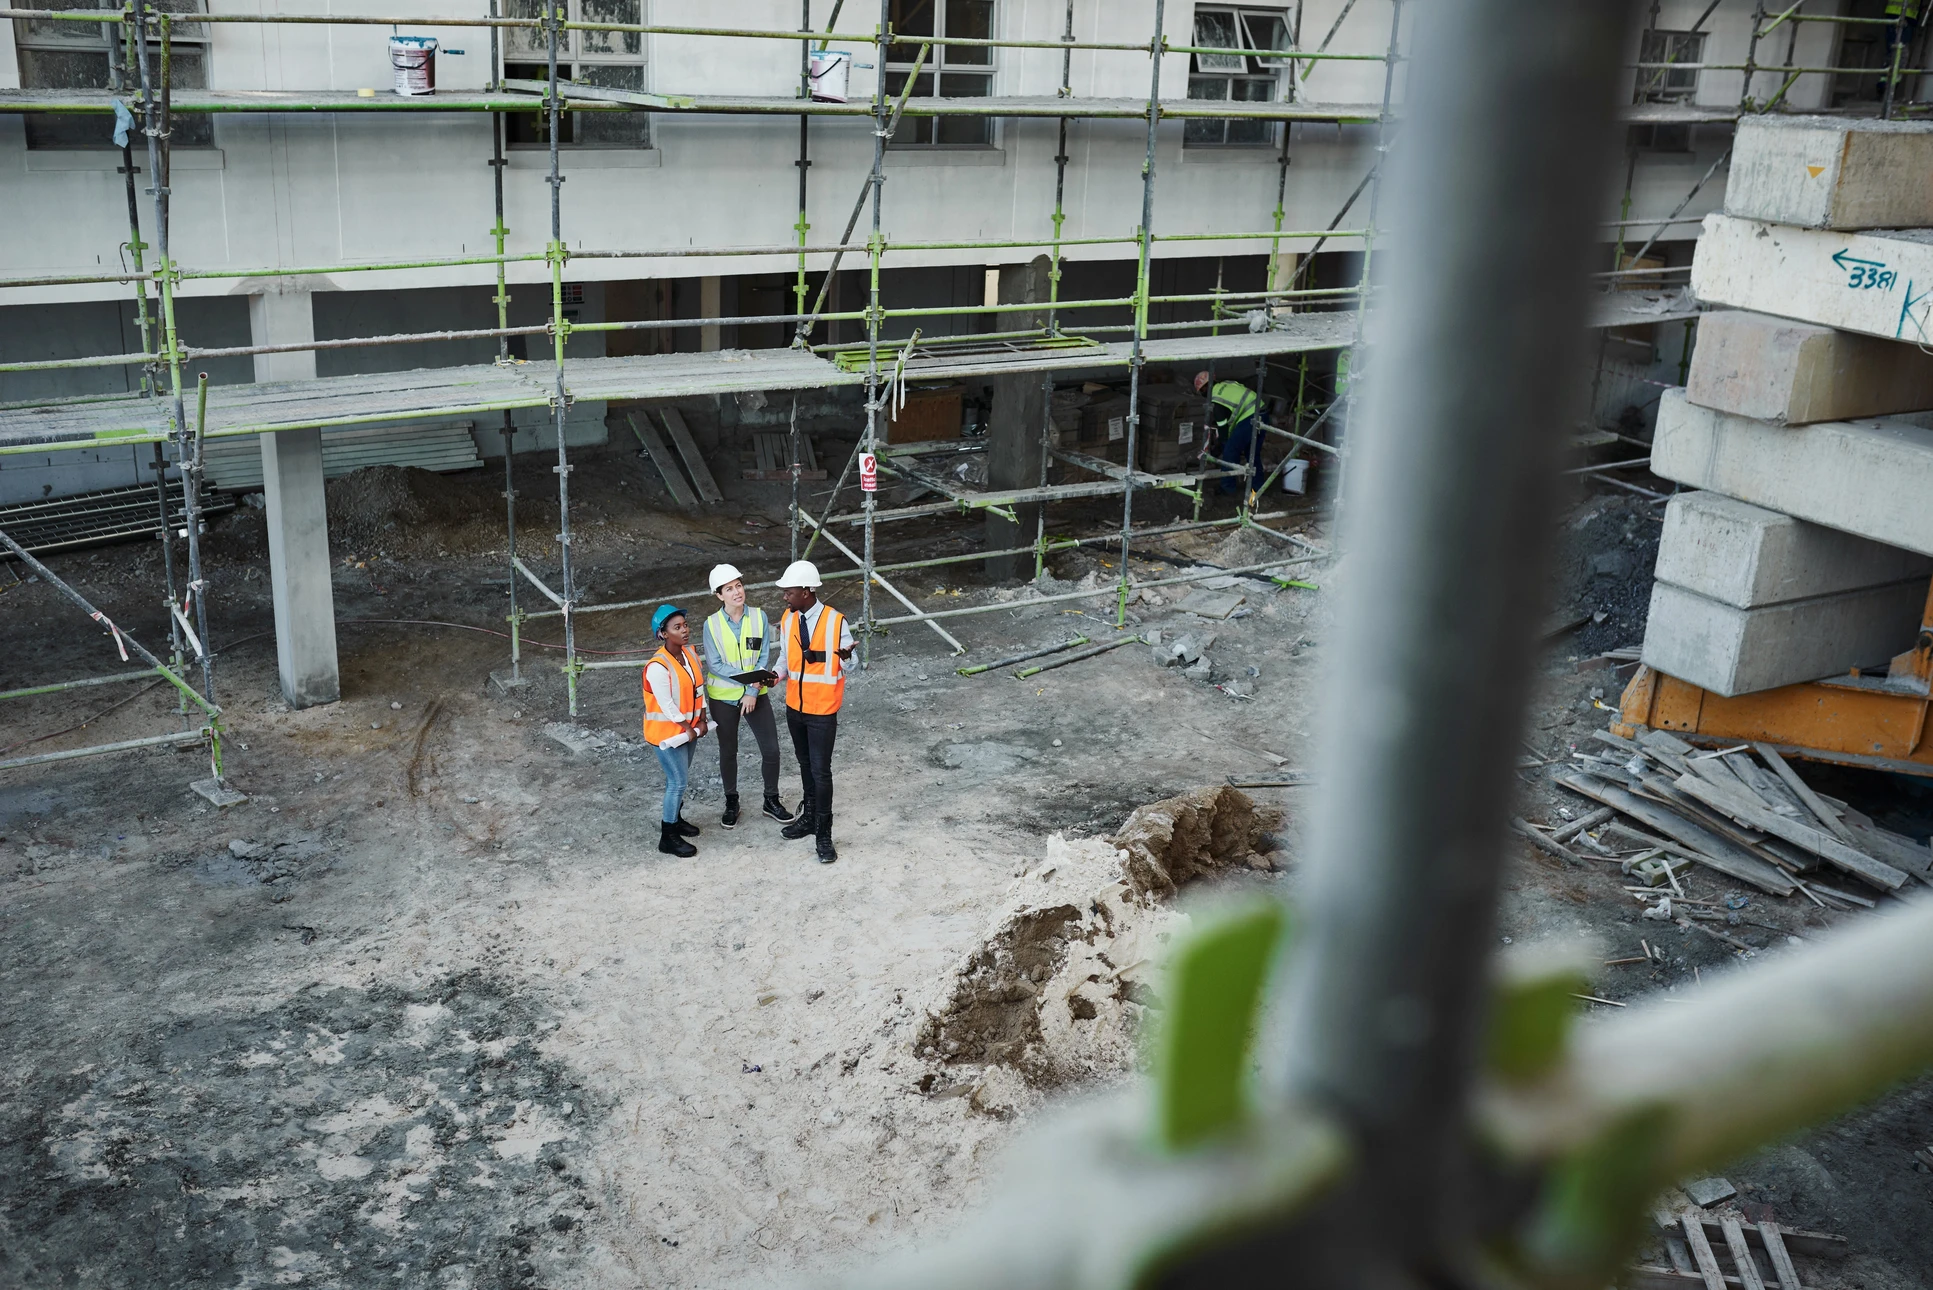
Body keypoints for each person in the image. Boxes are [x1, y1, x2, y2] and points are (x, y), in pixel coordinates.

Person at [699, 563, 795, 829]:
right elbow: (715, 664)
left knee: (771, 750)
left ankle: (771, 800)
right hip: (724, 699)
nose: (736, 592)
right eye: (729, 589)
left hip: (756, 695)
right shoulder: (711, 625)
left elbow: (764, 656)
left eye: (738, 585)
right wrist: (745, 684)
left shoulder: (759, 617)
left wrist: (752, 690)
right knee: (728, 751)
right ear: (719, 595)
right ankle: (731, 802)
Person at [772, 559, 852, 865]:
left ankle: (824, 834)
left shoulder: (835, 621)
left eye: (789, 591)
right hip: (796, 708)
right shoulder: (789, 618)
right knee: (805, 766)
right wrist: (776, 676)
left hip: (822, 710)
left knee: (821, 771)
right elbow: (785, 658)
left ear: (806, 591)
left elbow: (850, 664)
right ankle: (808, 819)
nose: (784, 597)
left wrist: (847, 657)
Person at [642, 603, 709, 857]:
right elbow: (667, 704)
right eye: (677, 627)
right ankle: (668, 836)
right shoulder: (658, 666)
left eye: (685, 625)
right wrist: (688, 728)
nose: (684, 631)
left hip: (689, 730)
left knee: (680, 779)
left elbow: (698, 688)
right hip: (667, 735)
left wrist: (702, 718)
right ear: (663, 633)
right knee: (677, 781)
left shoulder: (690, 654)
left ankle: (676, 819)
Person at [1194, 370, 1262, 495]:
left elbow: (1223, 430)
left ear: (1204, 389)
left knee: (1230, 450)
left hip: (1249, 417)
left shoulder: (1217, 401)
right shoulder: (1227, 384)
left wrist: (1220, 447)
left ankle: (1227, 488)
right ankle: (1257, 488)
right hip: (1262, 411)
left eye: (1202, 391)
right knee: (1252, 453)